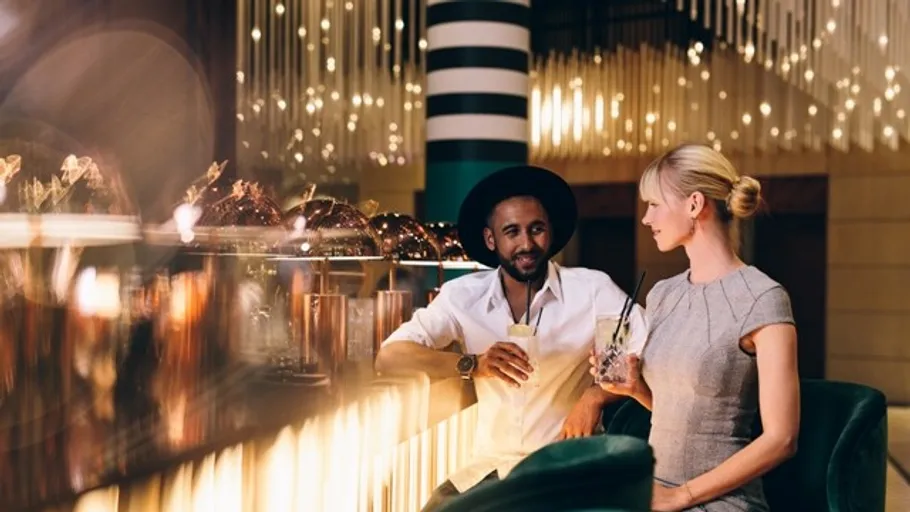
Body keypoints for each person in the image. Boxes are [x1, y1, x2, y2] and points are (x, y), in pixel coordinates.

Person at [375, 165, 648, 512]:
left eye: (536, 229)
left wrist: (594, 397)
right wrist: (474, 364)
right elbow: (390, 356)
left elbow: (647, 350)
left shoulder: (591, 290)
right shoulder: (463, 296)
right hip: (491, 467)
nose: (526, 244)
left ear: (550, 231)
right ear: (492, 240)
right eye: (512, 232)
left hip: (567, 465)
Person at [597, 144, 799, 512]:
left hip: (720, 501)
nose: (645, 217)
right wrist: (635, 388)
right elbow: (682, 411)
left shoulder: (763, 298)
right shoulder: (662, 295)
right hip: (655, 491)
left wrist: (682, 496)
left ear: (694, 205)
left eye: (654, 204)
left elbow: (782, 438)